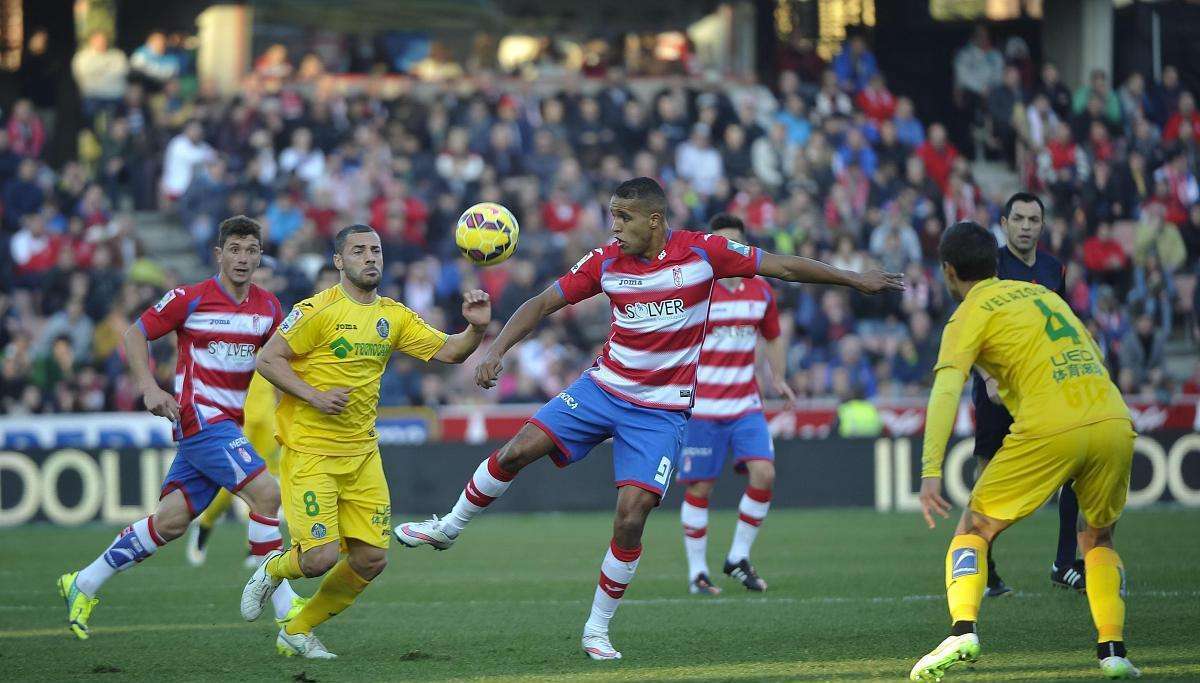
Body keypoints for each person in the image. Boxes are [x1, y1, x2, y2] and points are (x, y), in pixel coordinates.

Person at [394, 177, 903, 661]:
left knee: (631, 515)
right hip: (603, 388)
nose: (614, 226)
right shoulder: (605, 261)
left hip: (660, 411)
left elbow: (784, 267)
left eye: (623, 217)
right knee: (517, 450)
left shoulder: (705, 252)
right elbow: (545, 302)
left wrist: (854, 279)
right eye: (611, 216)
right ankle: (448, 527)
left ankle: (597, 628)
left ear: (654, 220)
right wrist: (497, 349)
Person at [239, 224, 491, 659]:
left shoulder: (392, 315)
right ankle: (273, 568)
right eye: (358, 251)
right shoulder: (316, 310)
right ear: (339, 261)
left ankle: (297, 630)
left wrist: (476, 330)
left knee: (372, 559)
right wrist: (315, 395)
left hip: (362, 456)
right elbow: (267, 359)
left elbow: (450, 351)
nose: (370, 257)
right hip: (310, 451)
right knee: (316, 560)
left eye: (374, 250)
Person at [910, 221, 1138, 681]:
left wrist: (931, 469)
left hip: (1052, 424)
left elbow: (945, 390)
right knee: (1097, 538)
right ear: (996, 263)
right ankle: (1113, 651)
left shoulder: (969, 312)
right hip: (1112, 415)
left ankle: (962, 630)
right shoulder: (1044, 295)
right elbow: (1093, 350)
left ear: (948, 271)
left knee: (973, 528)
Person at [57, 216, 303, 639]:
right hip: (199, 418)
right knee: (266, 493)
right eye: (235, 250)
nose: (243, 259)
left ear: (260, 255)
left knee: (169, 523)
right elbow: (136, 335)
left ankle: (83, 582)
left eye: (251, 250)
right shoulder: (188, 298)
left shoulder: (268, 308)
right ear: (218, 254)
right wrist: (149, 387)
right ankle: (286, 614)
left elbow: (278, 363)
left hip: (228, 425)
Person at [966, 193, 1085, 600]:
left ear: (1042, 224)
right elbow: (972, 326)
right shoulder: (990, 267)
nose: (1026, 226)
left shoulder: (1054, 269)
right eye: (1018, 218)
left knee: (1076, 462)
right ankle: (985, 565)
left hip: (1042, 387)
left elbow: (1063, 325)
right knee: (988, 473)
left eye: (1033, 219)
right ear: (1004, 223)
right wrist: (986, 377)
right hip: (998, 386)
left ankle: (1065, 562)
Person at [675, 214, 797, 596]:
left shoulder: (760, 292)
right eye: (721, 243)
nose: (728, 251)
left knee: (765, 474)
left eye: (735, 244)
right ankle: (697, 572)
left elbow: (774, 337)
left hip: (746, 404)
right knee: (700, 489)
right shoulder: (697, 289)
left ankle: (737, 557)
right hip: (704, 409)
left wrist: (777, 377)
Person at [186, 260, 290, 567]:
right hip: (239, 415)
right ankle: (205, 526)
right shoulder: (235, 314)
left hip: (270, 415)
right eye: (262, 275)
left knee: (272, 485)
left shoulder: (279, 316)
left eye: (271, 276)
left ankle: (255, 545)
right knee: (232, 484)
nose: (266, 281)